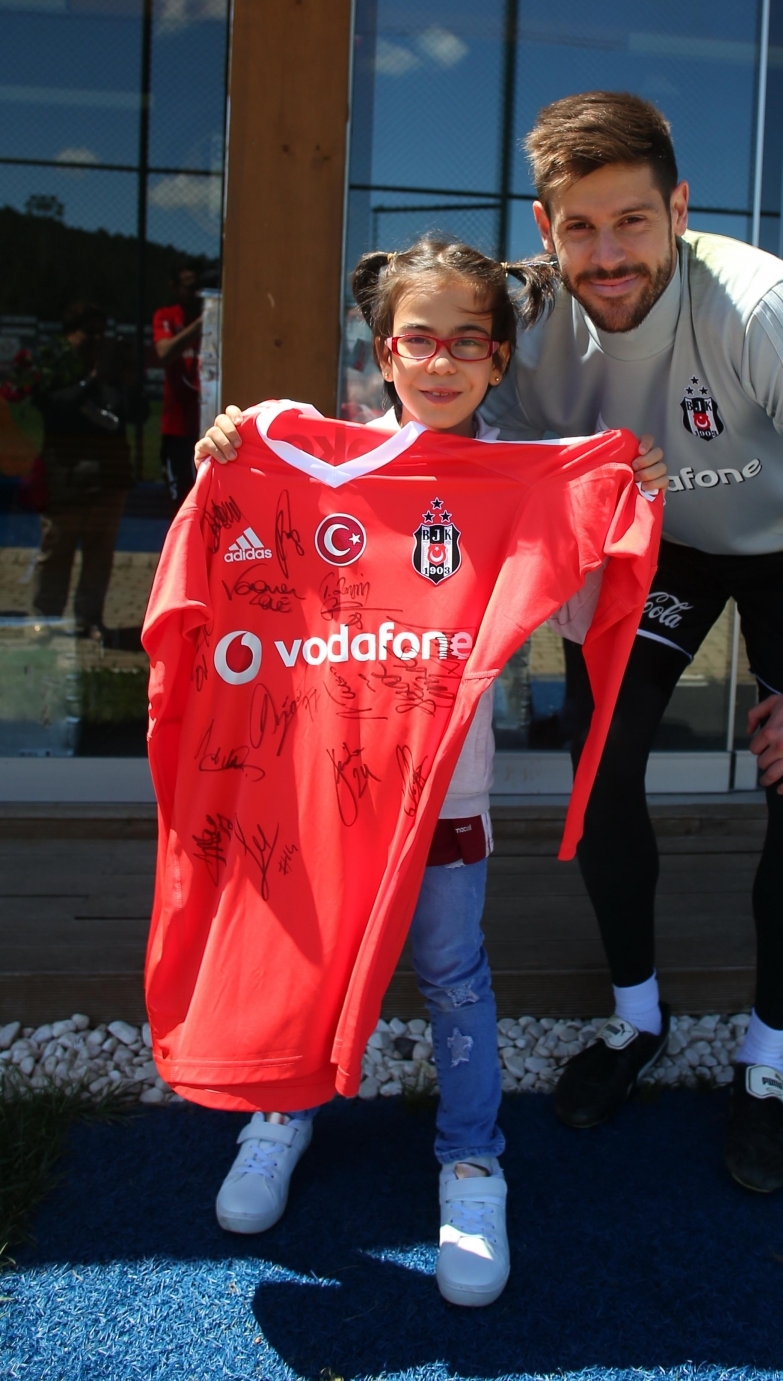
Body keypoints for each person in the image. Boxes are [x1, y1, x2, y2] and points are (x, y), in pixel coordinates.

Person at [473, 91, 783, 1194]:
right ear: (542, 228)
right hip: (659, 549)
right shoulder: (519, 314)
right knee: (601, 758)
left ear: (678, 207)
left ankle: (766, 1061)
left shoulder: (762, 307)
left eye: (631, 220)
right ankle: (638, 1019)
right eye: (577, 227)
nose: (606, 252)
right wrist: (265, 434)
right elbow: (422, 425)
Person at [192, 238, 591, 1308]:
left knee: (452, 971)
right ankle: (279, 1110)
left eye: (469, 340)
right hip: (316, 792)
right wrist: (224, 452)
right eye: (420, 338)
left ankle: (470, 1160)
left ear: (499, 358)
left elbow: (575, 615)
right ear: (382, 350)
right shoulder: (312, 461)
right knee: (309, 957)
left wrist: (606, 501)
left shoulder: (518, 483)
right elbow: (243, 555)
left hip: (446, 797)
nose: (442, 360)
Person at [29, 303, 134, 635]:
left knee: (99, 555)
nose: (97, 340)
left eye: (102, 333)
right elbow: (54, 407)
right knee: (56, 551)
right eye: (90, 332)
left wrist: (113, 375)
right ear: (70, 333)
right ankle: (44, 618)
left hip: (108, 476)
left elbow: (134, 410)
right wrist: (91, 381)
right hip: (67, 476)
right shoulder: (54, 364)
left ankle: (87, 619)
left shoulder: (113, 368)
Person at [153, 259, 203, 511]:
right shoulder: (166, 316)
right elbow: (164, 352)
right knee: (181, 501)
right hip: (178, 426)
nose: (194, 292)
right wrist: (202, 324)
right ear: (174, 287)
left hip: (208, 421)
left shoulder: (220, 319)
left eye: (198, 286)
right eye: (188, 286)